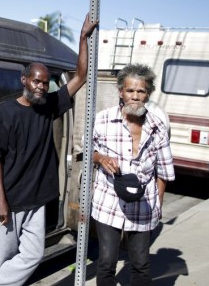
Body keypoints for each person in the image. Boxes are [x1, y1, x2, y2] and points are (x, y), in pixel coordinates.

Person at [0, 14, 98, 286]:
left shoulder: (48, 106)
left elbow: (81, 76)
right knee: (2, 263)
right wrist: (0, 199)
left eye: (45, 83)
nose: (41, 87)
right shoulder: (6, 113)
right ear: (24, 80)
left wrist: (83, 37)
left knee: (32, 256)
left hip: (36, 201)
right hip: (10, 201)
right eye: (36, 81)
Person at [90, 63, 175, 286]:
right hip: (108, 200)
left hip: (143, 204)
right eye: (130, 90)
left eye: (141, 91)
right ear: (121, 92)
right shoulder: (102, 120)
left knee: (141, 263)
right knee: (107, 261)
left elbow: (164, 172)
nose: (135, 96)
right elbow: (86, 149)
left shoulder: (157, 128)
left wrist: (158, 206)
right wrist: (101, 159)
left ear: (148, 94)